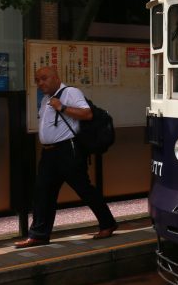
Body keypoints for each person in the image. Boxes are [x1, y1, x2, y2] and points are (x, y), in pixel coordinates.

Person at [14, 66, 117, 248]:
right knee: (42, 193)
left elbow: (87, 114)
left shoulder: (70, 92)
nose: (40, 83)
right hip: (49, 153)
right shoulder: (47, 99)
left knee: (84, 189)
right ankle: (39, 234)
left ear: (55, 78)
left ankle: (107, 224)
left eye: (44, 78)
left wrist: (62, 107)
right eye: (37, 80)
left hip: (67, 151)